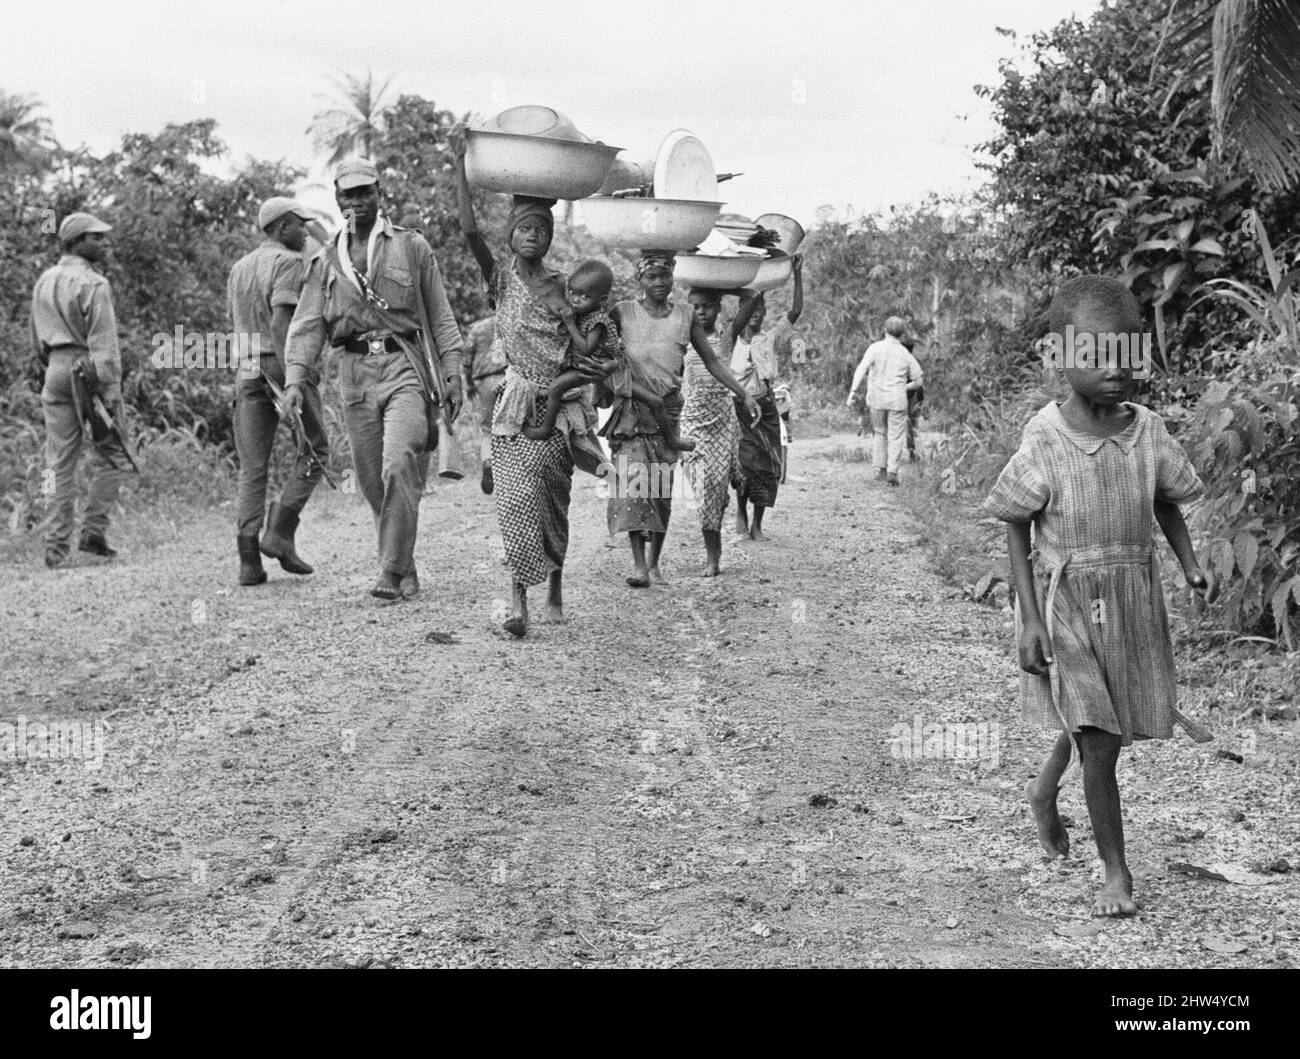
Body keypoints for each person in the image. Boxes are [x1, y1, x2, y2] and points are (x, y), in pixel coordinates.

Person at [984, 276, 1212, 917]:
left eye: (1126, 356)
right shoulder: (1047, 438)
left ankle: (1043, 789)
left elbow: (1166, 496)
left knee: (1099, 722)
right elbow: (1014, 517)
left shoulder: (1149, 432)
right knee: (1099, 737)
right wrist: (1029, 619)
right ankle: (1116, 869)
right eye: (1095, 357)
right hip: (1066, 601)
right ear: (1061, 357)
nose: (1115, 373)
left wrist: (1190, 561)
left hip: (1130, 600)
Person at [451, 124, 613, 636]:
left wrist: (598, 368)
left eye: (541, 229)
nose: (532, 235)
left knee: (553, 500)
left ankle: (556, 584)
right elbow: (468, 231)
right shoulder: (500, 281)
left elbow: (598, 338)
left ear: (550, 236)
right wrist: (460, 162)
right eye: (524, 227)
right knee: (515, 500)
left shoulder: (569, 288)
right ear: (512, 234)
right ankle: (518, 598)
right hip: (516, 404)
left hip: (560, 411)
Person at [283, 158, 464, 602]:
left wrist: (454, 371)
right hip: (354, 373)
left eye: (365, 192)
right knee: (370, 481)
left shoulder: (410, 246)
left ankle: (390, 568)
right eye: (349, 194)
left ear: (379, 192)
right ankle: (405, 560)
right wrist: (293, 380)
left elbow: (439, 315)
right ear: (338, 199)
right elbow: (308, 326)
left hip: (405, 365)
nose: (358, 202)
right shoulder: (326, 261)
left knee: (399, 461)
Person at [601, 252, 759, 587]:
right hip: (632, 409)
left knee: (659, 490)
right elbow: (602, 351)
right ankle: (639, 566)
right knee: (633, 485)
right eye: (651, 277)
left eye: (664, 276)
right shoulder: (623, 313)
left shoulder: (687, 315)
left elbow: (713, 362)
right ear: (639, 280)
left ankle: (654, 562)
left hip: (669, 413)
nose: (658, 283)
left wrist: (742, 393)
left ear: (673, 277)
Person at [228, 196, 326, 587]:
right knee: (317, 448)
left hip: (247, 368)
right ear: (283, 227)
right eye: (300, 224)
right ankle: (280, 532)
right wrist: (294, 382)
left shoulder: (238, 268)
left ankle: (249, 561)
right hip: (277, 364)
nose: (305, 231)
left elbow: (238, 325)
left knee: (253, 467)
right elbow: (283, 327)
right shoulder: (288, 263)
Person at [31, 212, 129, 568]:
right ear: (76, 242)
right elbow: (104, 344)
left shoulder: (44, 279)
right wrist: (111, 390)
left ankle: (54, 547)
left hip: (55, 369)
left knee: (56, 463)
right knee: (114, 452)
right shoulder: (94, 283)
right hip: (87, 370)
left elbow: (36, 339)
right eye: (96, 238)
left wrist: (56, 366)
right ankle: (93, 531)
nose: (103, 243)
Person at [525, 259, 691, 454]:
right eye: (573, 293)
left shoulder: (598, 321)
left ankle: (545, 428)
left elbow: (586, 348)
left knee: (655, 402)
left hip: (605, 370)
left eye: (584, 296)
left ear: (601, 300)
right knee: (554, 387)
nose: (576, 299)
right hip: (588, 368)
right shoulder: (580, 312)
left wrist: (569, 324)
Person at [729, 254, 803, 540]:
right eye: (753, 309)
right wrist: (751, 287)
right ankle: (740, 510)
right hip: (739, 410)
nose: (758, 314)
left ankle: (758, 522)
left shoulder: (769, 338)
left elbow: (795, 311)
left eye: (762, 309)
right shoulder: (730, 341)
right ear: (744, 312)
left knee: (768, 466)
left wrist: (796, 274)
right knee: (744, 465)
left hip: (766, 408)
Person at [679, 287, 744, 576]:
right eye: (696, 306)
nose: (701, 312)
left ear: (718, 308)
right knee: (704, 488)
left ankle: (712, 558)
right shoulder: (680, 338)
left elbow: (753, 297)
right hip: (692, 422)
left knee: (713, 489)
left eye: (707, 306)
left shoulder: (726, 337)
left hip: (721, 422)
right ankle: (715, 515)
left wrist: (725, 283)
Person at [847, 316, 923, 485]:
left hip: (877, 398)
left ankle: (880, 469)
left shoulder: (875, 348)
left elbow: (862, 368)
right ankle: (892, 471)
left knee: (880, 432)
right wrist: (905, 387)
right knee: (896, 436)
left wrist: (852, 391)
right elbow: (919, 380)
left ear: (885, 330)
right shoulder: (905, 353)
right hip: (897, 399)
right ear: (902, 334)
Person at [463, 313, 505, 494]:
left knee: (487, 429)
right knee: (514, 426)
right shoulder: (510, 321)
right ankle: (512, 470)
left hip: (485, 381)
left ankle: (488, 461)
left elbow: (466, 360)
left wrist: (469, 384)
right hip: (509, 377)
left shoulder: (476, 328)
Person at [902, 337, 924, 461]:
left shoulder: (898, 362)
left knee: (907, 426)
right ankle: (912, 452)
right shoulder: (914, 361)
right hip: (911, 397)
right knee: (911, 425)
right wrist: (920, 399)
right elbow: (920, 383)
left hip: (902, 396)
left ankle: (911, 452)